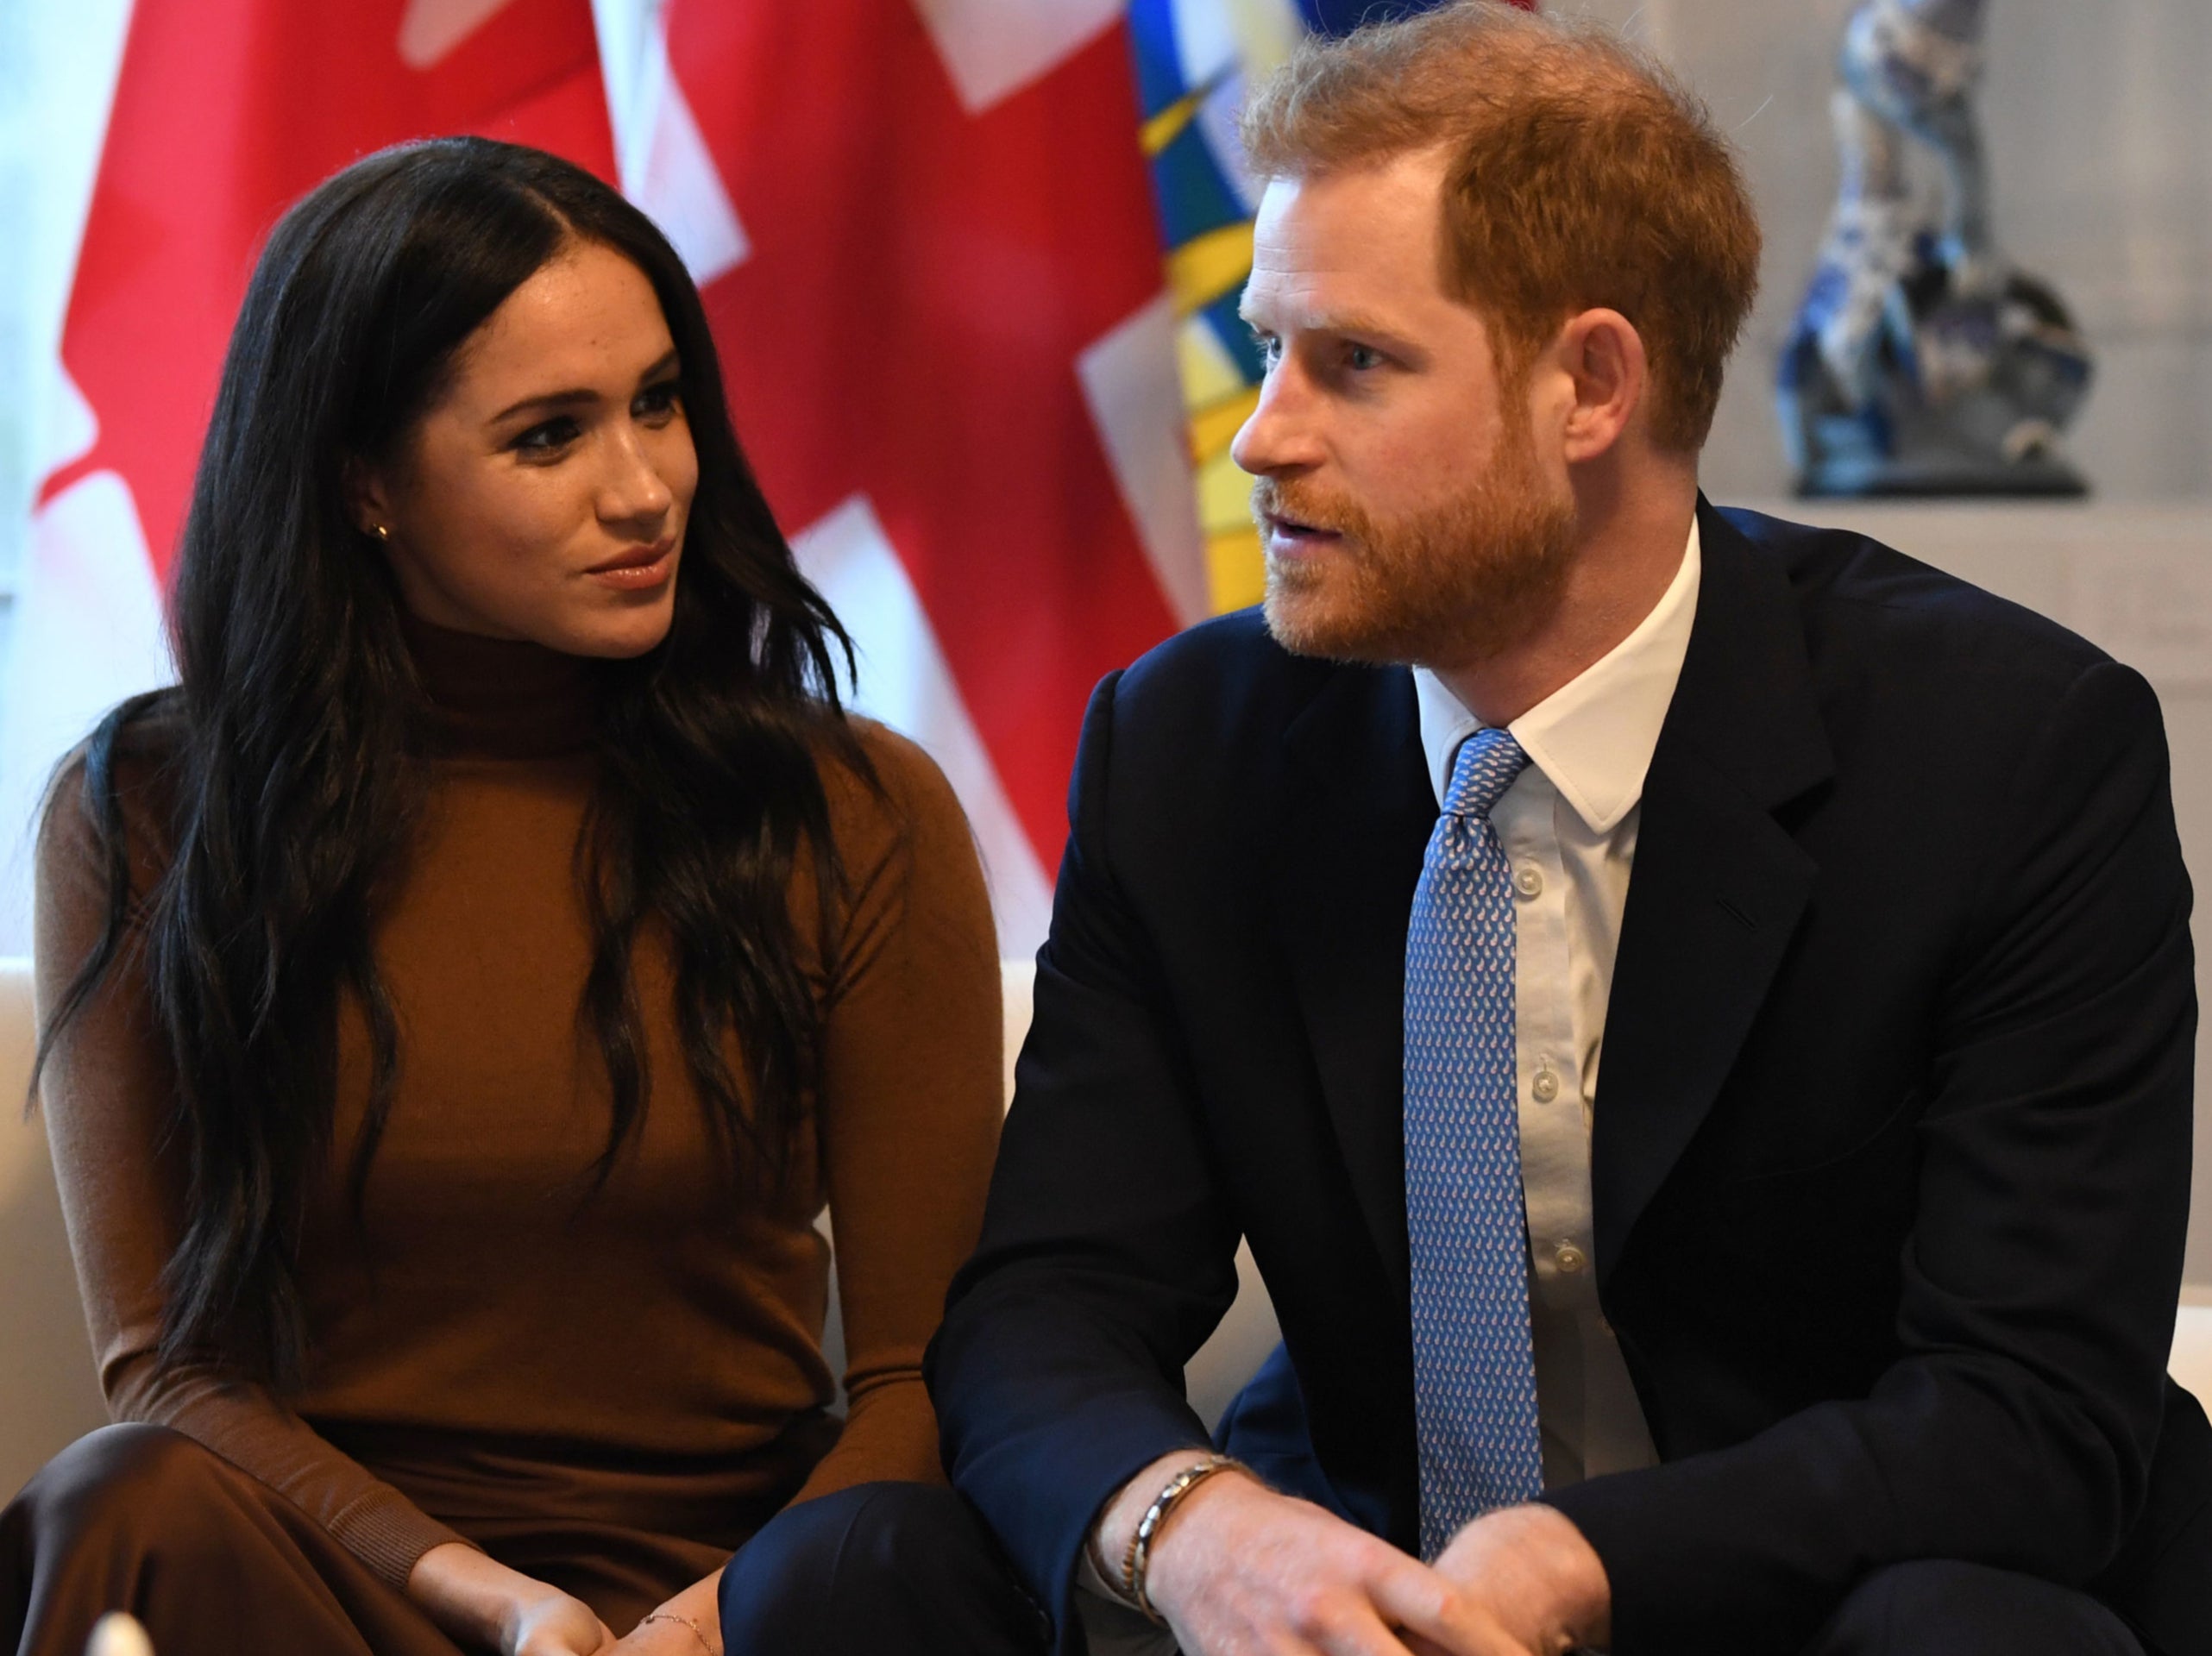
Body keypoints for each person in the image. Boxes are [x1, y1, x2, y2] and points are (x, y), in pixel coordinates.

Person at [714, 7, 2211, 1655]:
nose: (1262, 434)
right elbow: (1047, 1307)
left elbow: (2032, 1414)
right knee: (844, 1579)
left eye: (1351, 362)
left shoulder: (2006, 750)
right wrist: (1194, 1532)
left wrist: (1579, 1562)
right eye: (1263, 346)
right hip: (1358, 1587)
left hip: (1819, 1587)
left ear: (1590, 383)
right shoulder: (1189, 745)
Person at [0, 137, 1003, 1656]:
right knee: (120, 1499)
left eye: (659, 404)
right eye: (549, 436)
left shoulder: (853, 807)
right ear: (365, 485)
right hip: (354, 1584)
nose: (646, 487)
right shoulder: (144, 808)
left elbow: (925, 1374)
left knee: (905, 1554)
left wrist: (699, 1624)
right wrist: (504, 1609)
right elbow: (174, 1373)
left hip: (751, 1588)